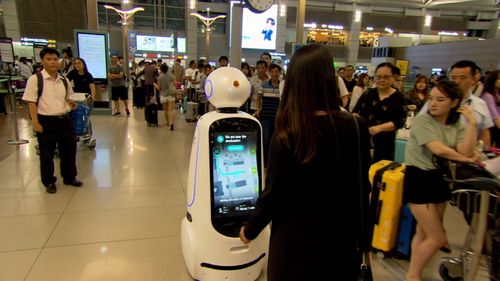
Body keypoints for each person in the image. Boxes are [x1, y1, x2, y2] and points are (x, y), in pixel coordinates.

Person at [239, 44, 372, 281]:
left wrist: (250, 230)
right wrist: (365, 241)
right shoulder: (356, 126)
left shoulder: (288, 135)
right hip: (341, 247)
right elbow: (363, 188)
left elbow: (273, 195)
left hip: (294, 248)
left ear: (294, 83)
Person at [403, 80, 477, 281]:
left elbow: (466, 150)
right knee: (437, 237)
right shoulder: (422, 120)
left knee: (423, 232)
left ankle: (415, 273)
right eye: (431, 99)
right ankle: (412, 276)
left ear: (454, 103)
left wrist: (472, 123)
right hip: (419, 179)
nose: (433, 104)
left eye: (440, 100)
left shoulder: (456, 123)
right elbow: (438, 149)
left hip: (439, 180)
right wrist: (466, 159)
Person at [22, 47, 83, 194]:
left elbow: (69, 97)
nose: (52, 62)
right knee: (47, 153)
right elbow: (31, 102)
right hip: (46, 121)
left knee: (69, 150)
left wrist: (71, 104)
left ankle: (69, 177)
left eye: (55, 59)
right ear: (42, 61)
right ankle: (49, 181)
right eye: (48, 59)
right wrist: (35, 123)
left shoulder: (64, 80)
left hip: (64, 120)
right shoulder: (35, 79)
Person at [353, 62, 407, 162]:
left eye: (386, 77)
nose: (382, 80)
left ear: (393, 77)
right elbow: (355, 112)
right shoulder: (368, 93)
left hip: (386, 142)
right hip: (364, 139)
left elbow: (400, 121)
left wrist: (380, 128)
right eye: (378, 77)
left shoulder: (399, 97)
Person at [480, 70, 500, 147]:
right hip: (493, 127)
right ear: (492, 81)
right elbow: (494, 116)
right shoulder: (487, 96)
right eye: (499, 79)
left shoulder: (497, 93)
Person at [155, 64, 177, 130]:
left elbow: (159, 88)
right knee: (171, 110)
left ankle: (167, 122)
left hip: (163, 96)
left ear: (161, 70)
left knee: (166, 110)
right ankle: (172, 124)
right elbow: (174, 85)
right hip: (171, 95)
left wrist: (154, 85)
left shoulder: (159, 78)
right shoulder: (171, 76)